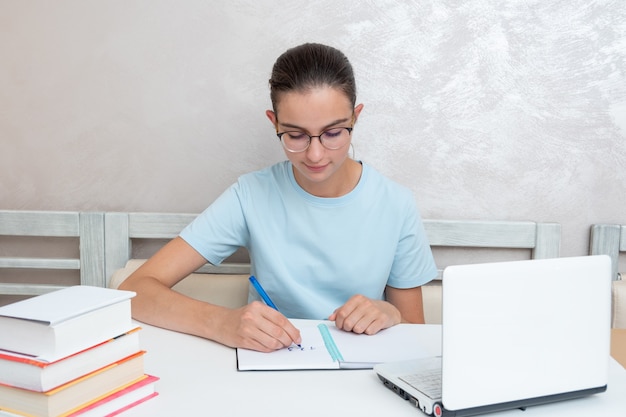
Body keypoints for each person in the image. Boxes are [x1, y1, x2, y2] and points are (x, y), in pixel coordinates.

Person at [119, 43, 437, 352]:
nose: (314, 154)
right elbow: (134, 290)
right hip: (270, 373)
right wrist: (220, 322)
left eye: (333, 133)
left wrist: (392, 314)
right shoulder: (251, 195)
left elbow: (414, 332)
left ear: (355, 118)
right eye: (295, 135)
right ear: (274, 123)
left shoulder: (396, 204)